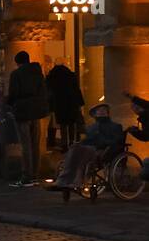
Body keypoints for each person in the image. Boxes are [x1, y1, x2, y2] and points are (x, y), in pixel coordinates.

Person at [51, 102, 124, 193]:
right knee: (75, 148)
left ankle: (74, 180)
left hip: (104, 151)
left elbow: (117, 141)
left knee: (84, 151)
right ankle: (63, 181)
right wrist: (80, 143)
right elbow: (87, 140)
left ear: (107, 112)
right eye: (98, 111)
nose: (101, 112)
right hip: (89, 149)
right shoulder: (91, 128)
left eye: (103, 110)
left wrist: (101, 141)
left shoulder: (116, 126)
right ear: (94, 114)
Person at [6, 49, 49, 187]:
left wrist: (9, 104)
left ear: (17, 62)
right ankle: (35, 174)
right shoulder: (38, 73)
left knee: (25, 145)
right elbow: (43, 90)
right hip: (36, 111)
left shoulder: (16, 74)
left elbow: (13, 93)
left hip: (23, 111)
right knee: (35, 144)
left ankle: (27, 176)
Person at [46, 61, 84, 150]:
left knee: (63, 124)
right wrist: (80, 103)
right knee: (71, 123)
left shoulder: (52, 77)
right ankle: (72, 143)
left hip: (59, 104)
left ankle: (64, 144)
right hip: (72, 103)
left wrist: (50, 105)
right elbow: (76, 90)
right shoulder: (71, 76)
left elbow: (49, 92)